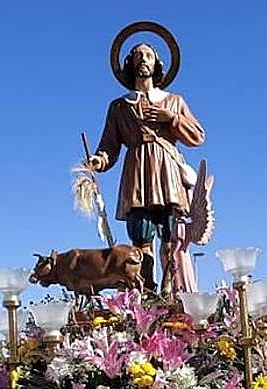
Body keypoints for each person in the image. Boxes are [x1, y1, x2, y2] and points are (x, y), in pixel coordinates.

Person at [89, 40, 205, 292]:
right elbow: (109, 144)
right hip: (137, 173)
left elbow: (197, 136)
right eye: (138, 55)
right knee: (141, 233)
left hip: (167, 173)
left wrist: (171, 118)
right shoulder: (119, 106)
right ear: (129, 64)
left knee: (170, 233)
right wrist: (99, 160)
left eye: (148, 56)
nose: (143, 59)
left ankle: (170, 287)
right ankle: (147, 288)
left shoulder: (173, 101)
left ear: (157, 64)